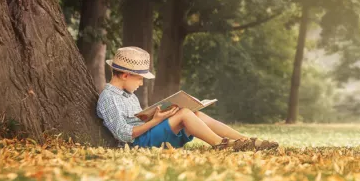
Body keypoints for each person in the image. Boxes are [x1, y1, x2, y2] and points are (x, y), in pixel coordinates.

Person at [96, 46, 278, 151]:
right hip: (138, 143)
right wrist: (155, 121)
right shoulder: (109, 98)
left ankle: (246, 141)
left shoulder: (129, 96)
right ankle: (221, 144)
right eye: (140, 79)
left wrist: (159, 115)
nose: (142, 84)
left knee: (194, 113)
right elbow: (123, 134)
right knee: (184, 113)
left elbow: (137, 121)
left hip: (147, 135)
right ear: (126, 75)